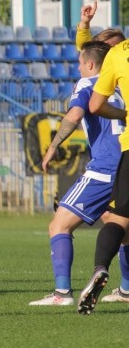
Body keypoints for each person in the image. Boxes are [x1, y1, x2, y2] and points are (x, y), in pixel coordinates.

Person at [30, 41, 122, 306]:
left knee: (59, 225)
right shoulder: (122, 86)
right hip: (126, 162)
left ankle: (61, 294)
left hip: (105, 168)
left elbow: (75, 113)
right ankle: (126, 289)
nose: (78, 67)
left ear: (90, 65)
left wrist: (53, 146)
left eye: (80, 62)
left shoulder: (87, 83)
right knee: (121, 228)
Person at [78, 29, 129, 314]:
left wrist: (124, 114)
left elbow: (95, 105)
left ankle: (100, 268)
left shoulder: (118, 54)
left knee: (118, 219)